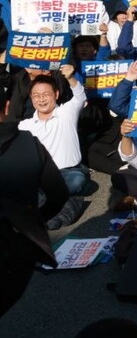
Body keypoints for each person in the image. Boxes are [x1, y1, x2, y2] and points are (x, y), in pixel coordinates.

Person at [0, 115, 69, 319]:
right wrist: (35, 220)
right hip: (17, 247)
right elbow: (59, 193)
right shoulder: (29, 142)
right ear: (6, 107)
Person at [18, 69, 88, 195]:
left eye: (46, 94)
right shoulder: (25, 125)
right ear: (31, 98)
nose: (41, 99)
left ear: (56, 94)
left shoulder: (66, 112)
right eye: (37, 96)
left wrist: (70, 77)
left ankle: (41, 198)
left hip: (69, 172)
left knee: (76, 180)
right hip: (40, 175)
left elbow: (80, 96)